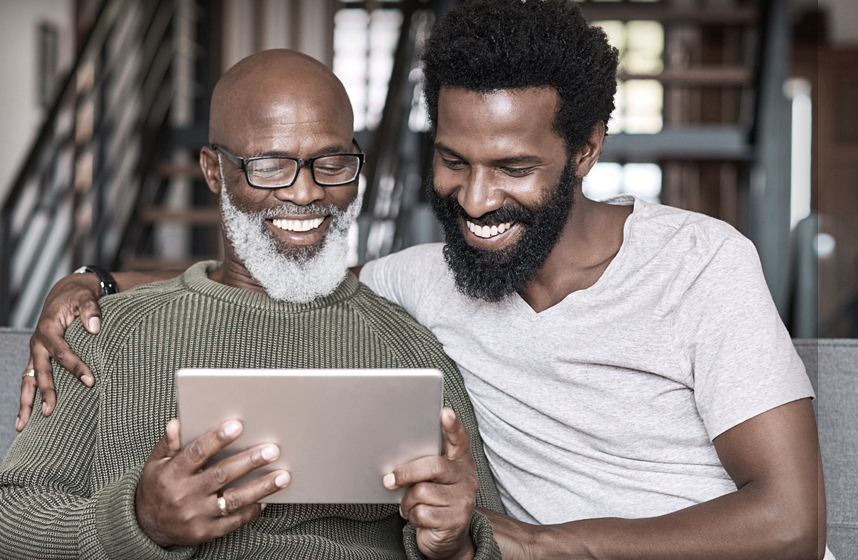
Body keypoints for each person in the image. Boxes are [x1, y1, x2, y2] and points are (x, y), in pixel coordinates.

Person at [17, 1, 829, 559]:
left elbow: (791, 523)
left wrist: (505, 540)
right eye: (453, 160)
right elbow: (278, 268)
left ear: (585, 150)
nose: (476, 200)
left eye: (513, 167)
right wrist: (97, 283)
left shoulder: (698, 262)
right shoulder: (425, 286)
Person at [1, 49, 504, 560]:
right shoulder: (106, 332)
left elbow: (482, 530)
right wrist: (139, 521)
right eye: (269, 167)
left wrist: (456, 545)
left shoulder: (413, 349)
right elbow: (11, 520)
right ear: (214, 170)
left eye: (331, 163)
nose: (307, 193)